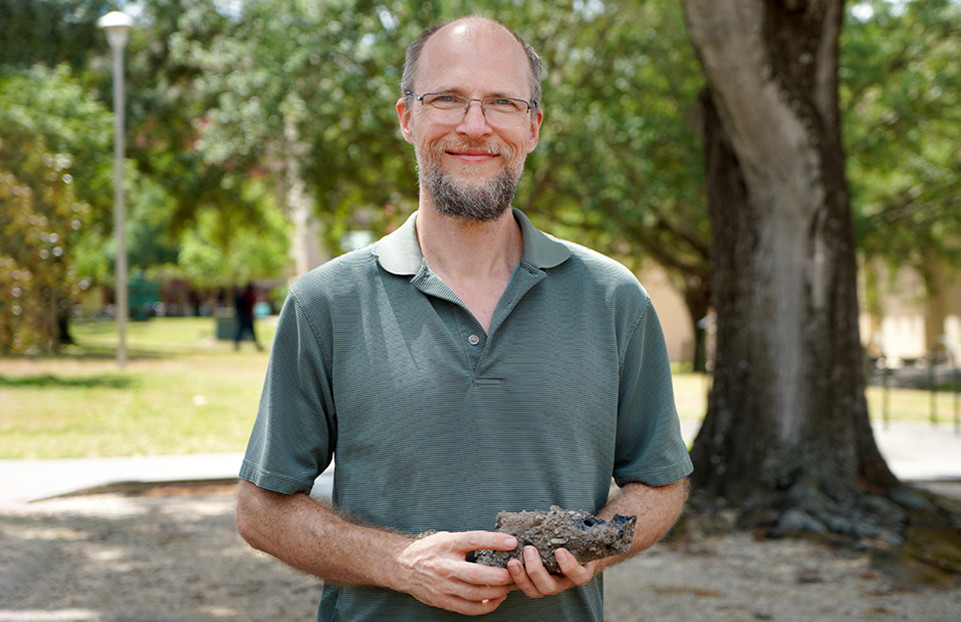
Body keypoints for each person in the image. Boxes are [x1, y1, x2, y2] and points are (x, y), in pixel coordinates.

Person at [236, 15, 692, 621]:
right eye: (447, 98)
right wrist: (399, 562)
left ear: (532, 127)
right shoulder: (326, 302)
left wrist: (595, 546)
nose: (474, 126)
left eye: (502, 102)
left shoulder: (613, 298)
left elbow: (660, 483)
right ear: (407, 118)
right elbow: (261, 510)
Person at [233, 283, 262, 351]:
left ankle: (236, 344)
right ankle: (257, 346)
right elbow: (252, 303)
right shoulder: (249, 295)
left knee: (241, 331)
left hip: (243, 316)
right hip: (247, 316)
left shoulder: (244, 294)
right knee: (251, 332)